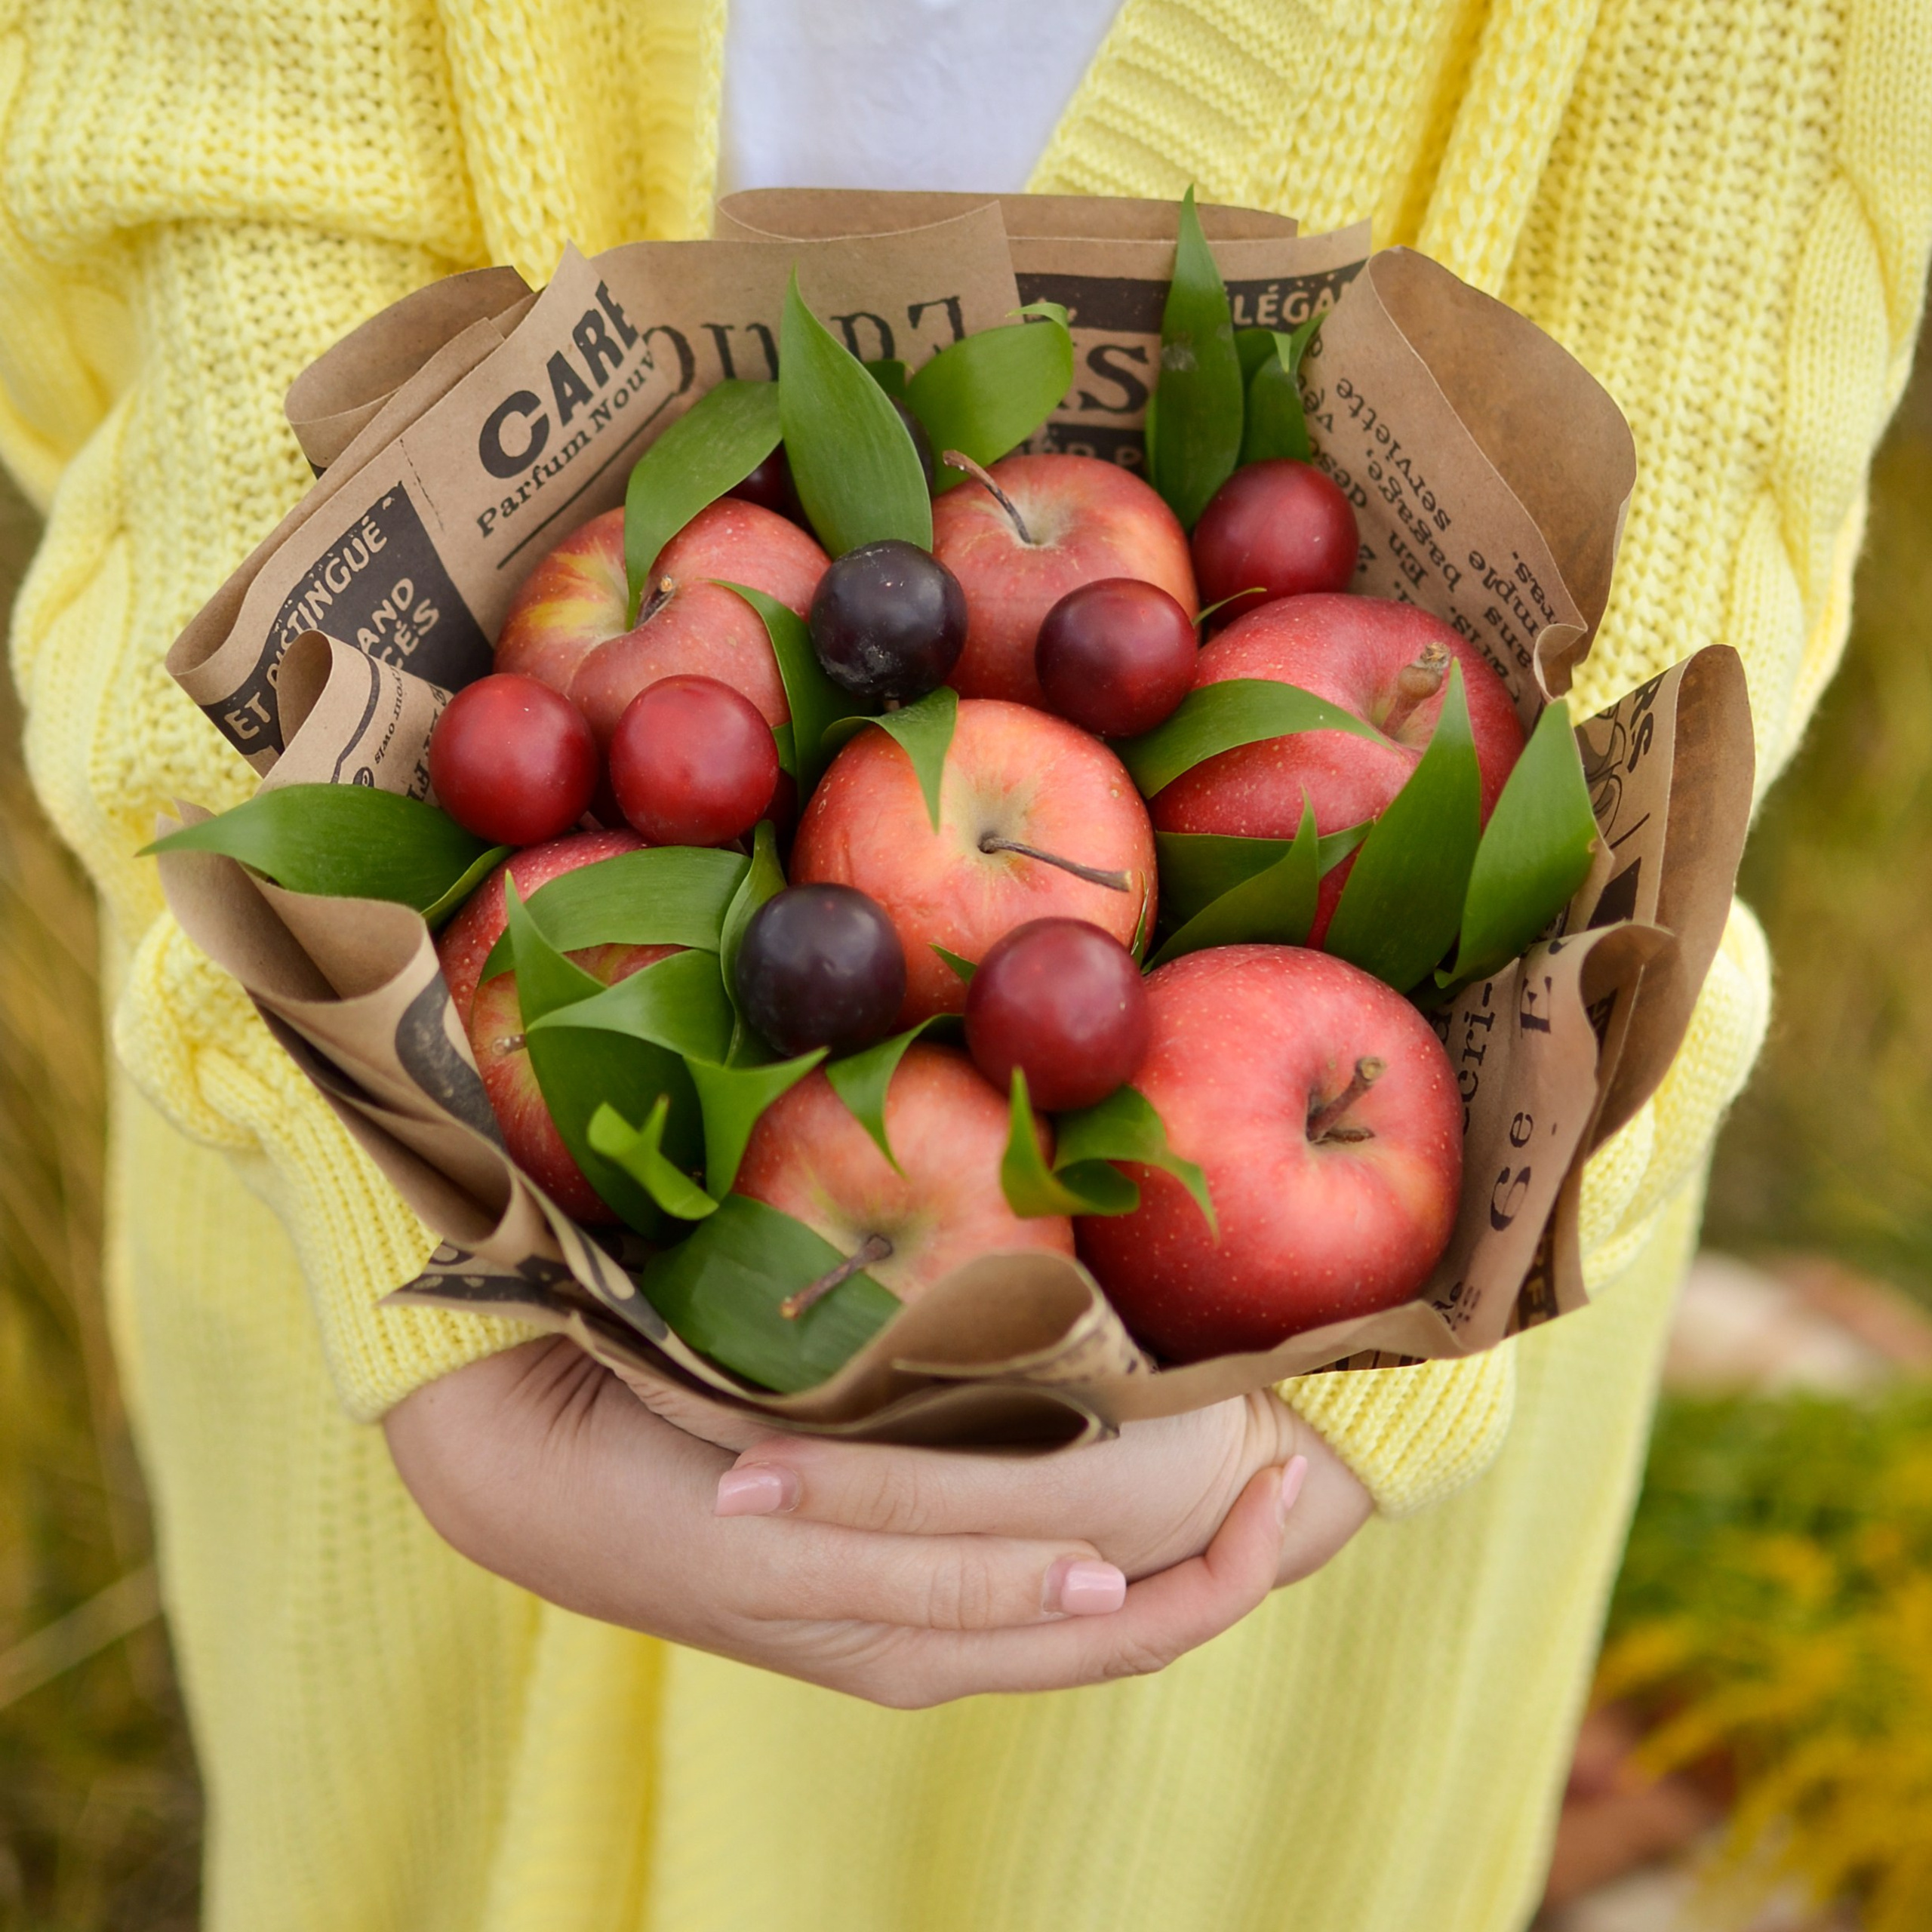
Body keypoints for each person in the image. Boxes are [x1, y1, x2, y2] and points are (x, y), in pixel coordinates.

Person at [2, 2, 1924, 1927]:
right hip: (418, 1353)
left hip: (1276, 1417)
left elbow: (1698, 509)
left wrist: (1337, 1407)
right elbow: (212, 321)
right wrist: (400, 1270)